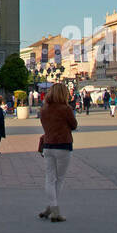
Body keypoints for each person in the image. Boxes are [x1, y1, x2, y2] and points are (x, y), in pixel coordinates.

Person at [38, 82, 77, 222]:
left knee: (49, 178)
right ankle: (55, 210)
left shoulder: (44, 109)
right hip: (63, 146)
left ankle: (50, 206)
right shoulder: (65, 108)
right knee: (59, 179)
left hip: (48, 146)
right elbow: (74, 125)